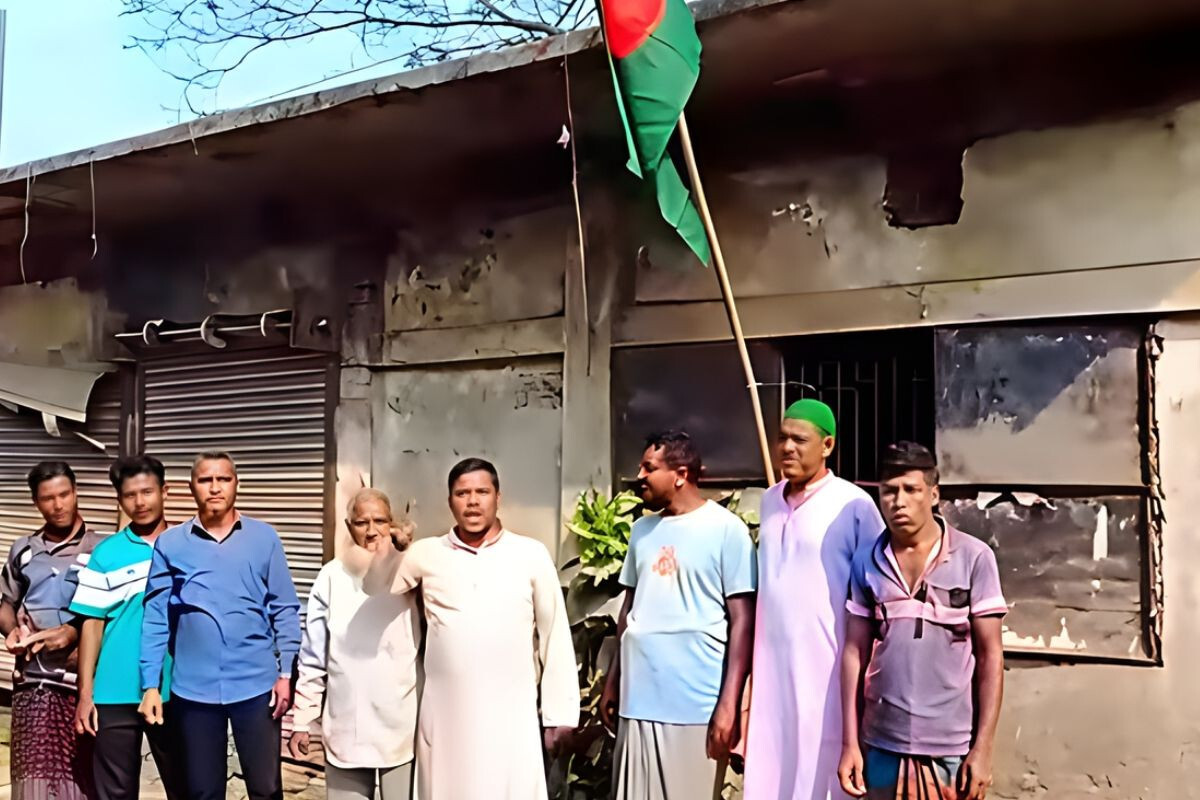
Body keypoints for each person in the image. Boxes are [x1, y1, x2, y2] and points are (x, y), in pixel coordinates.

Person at [361, 457, 579, 800]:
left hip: (511, 717)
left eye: (482, 492)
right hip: (447, 719)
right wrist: (388, 545)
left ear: (498, 497)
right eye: (462, 493)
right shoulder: (425, 554)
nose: (473, 501)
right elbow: (374, 590)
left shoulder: (530, 555)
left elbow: (555, 637)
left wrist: (559, 715)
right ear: (450, 501)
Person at [838, 442, 1006, 800]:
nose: (898, 501)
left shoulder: (974, 558)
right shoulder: (867, 562)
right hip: (881, 742)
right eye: (888, 491)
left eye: (911, 490)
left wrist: (983, 749)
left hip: (950, 749)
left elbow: (991, 657)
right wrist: (850, 742)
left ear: (933, 494)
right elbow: (854, 652)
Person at [600, 430, 757, 800]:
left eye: (649, 467)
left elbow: (743, 622)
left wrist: (729, 704)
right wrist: (613, 681)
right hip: (637, 700)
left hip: (694, 705)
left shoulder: (726, 530)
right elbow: (629, 610)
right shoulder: (642, 530)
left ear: (680, 473)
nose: (639, 476)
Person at [743, 399, 885, 800]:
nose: (787, 447)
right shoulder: (768, 501)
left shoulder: (854, 504)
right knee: (772, 773)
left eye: (799, 439)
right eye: (782, 437)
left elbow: (877, 589)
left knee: (821, 774)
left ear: (827, 445)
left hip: (828, 672)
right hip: (771, 672)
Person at [140, 451, 301, 800]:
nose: (215, 488)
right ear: (191, 488)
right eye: (205, 480)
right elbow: (155, 617)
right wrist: (150, 685)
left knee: (266, 788)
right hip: (193, 690)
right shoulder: (170, 544)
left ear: (236, 484)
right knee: (202, 791)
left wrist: (286, 673)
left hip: (256, 687)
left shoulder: (264, 538)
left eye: (223, 479)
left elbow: (285, 608)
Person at [289, 487, 421, 800]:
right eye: (362, 522)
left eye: (380, 521)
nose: (372, 530)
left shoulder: (411, 573)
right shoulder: (331, 577)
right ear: (349, 527)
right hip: (347, 723)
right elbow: (312, 655)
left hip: (401, 722)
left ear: (392, 525)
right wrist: (302, 718)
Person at [70, 456, 185, 800]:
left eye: (147, 491)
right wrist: (85, 694)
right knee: (115, 793)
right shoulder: (106, 554)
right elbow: (91, 625)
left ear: (165, 492)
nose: (140, 502)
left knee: (188, 785)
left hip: (176, 688)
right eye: (130, 495)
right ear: (120, 500)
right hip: (114, 689)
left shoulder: (189, 545)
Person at [1, 461, 105, 800]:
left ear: (75, 493)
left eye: (64, 495)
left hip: (82, 686)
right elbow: (5, 603)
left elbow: (111, 616)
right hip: (34, 685)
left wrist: (72, 633)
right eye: (48, 498)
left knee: (79, 781)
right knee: (32, 781)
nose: (58, 505)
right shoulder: (24, 550)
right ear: (36, 502)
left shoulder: (101, 550)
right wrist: (12, 631)